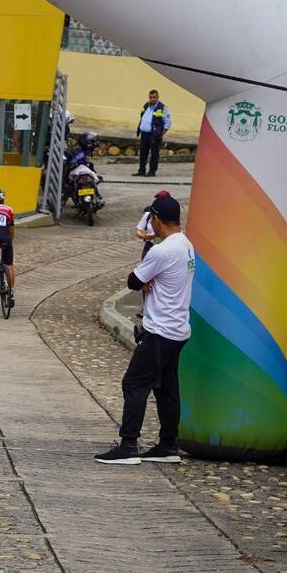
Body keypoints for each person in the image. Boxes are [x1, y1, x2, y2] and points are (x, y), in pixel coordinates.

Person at [95, 194, 194, 465]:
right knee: (167, 388)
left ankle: (128, 446)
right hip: (178, 329)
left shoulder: (162, 250)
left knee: (134, 383)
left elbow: (132, 280)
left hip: (160, 330)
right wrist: (149, 280)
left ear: (157, 220)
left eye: (151, 218)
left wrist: (145, 280)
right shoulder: (186, 245)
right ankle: (167, 446)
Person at [135, 89, 171, 177]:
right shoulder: (146, 105)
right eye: (150, 97)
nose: (152, 99)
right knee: (143, 153)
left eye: (154, 97)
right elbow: (142, 117)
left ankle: (152, 171)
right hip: (144, 134)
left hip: (154, 135)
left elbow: (168, 122)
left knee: (154, 154)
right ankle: (141, 170)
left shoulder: (162, 108)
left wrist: (161, 134)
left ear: (158, 97)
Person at [135, 190, 172, 259]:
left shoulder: (171, 216)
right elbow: (138, 231)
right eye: (158, 199)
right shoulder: (148, 215)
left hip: (164, 247)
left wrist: (156, 235)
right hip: (149, 246)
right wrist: (145, 236)